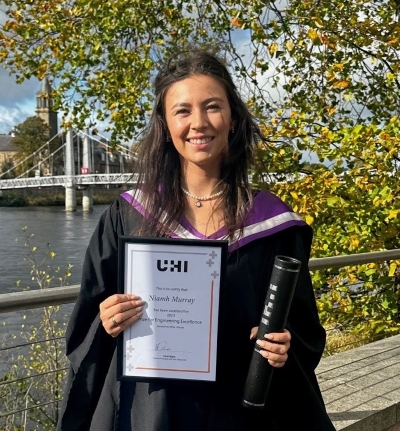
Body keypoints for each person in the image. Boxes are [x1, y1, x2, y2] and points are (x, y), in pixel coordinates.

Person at [57, 51, 335, 431]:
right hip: (152, 409)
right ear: (165, 125)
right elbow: (88, 321)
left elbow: (304, 329)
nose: (199, 123)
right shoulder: (127, 217)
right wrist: (107, 320)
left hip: (243, 413)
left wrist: (285, 344)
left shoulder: (274, 223)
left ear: (233, 118)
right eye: (183, 111)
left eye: (213, 107)